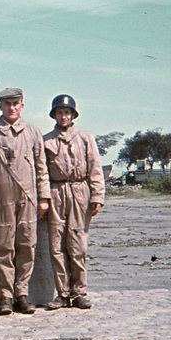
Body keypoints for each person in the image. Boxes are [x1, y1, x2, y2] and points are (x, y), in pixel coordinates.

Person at [0, 88, 50, 315]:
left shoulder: (33, 132)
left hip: (28, 199)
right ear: (0, 107)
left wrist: (44, 197)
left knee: (26, 246)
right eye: (7, 104)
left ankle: (21, 294)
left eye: (15, 103)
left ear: (22, 105)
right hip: (0, 200)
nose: (12, 108)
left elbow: (41, 168)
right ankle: (5, 296)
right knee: (3, 248)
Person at [43, 94, 105, 310]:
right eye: (59, 112)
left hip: (79, 191)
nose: (63, 116)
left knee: (77, 243)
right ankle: (62, 293)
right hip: (56, 191)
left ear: (73, 115)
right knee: (56, 245)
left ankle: (79, 292)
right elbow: (41, 173)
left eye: (67, 112)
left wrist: (97, 195)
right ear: (54, 115)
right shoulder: (46, 141)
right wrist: (43, 198)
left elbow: (95, 167)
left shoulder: (85, 138)